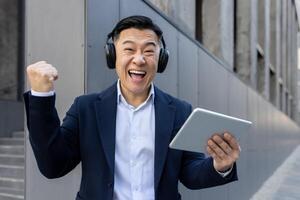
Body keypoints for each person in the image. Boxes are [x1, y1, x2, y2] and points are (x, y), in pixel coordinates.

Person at [24, 15, 240, 200]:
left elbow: (190, 174)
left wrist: (219, 165)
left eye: (148, 51)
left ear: (161, 58)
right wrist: (41, 96)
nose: (139, 59)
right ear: (113, 55)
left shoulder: (180, 111)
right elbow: (53, 166)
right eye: (129, 49)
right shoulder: (86, 108)